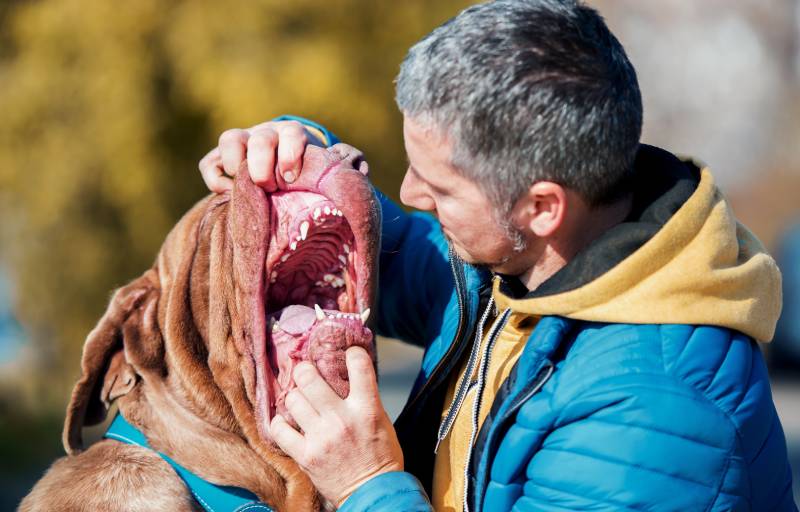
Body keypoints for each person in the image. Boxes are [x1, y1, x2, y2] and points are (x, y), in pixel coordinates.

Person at [198, 1, 797, 510]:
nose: (409, 194)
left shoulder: (653, 418)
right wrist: (289, 147)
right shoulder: (518, 262)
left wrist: (368, 485)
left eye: (442, 186)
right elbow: (377, 241)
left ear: (542, 208)